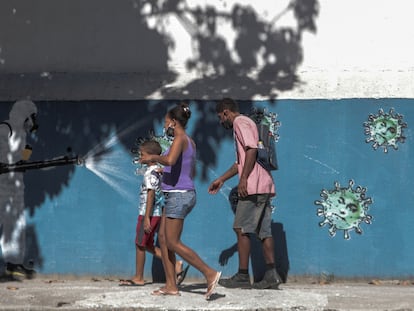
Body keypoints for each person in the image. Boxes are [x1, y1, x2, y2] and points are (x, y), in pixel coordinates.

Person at [140, 103, 221, 300]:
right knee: (165, 241)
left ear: (174, 122)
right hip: (175, 193)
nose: (165, 125)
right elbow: (184, 167)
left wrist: (152, 157)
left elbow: (170, 161)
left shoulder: (180, 139)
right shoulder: (189, 141)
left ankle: (210, 273)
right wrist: (164, 171)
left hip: (179, 194)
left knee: (173, 242)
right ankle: (171, 286)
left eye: (166, 122)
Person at [208, 98, 282, 290]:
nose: (220, 122)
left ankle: (242, 276)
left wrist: (243, 180)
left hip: (253, 186)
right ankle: (271, 275)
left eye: (219, 117)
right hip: (262, 185)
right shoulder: (247, 124)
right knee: (263, 231)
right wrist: (222, 179)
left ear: (225, 112)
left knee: (241, 228)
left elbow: (251, 150)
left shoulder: (240, 122)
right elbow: (239, 162)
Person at [119, 140, 189, 286]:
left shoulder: (150, 173)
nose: (140, 157)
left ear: (151, 156)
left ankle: (138, 277)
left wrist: (146, 218)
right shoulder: (158, 170)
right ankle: (176, 266)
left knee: (139, 244)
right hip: (155, 213)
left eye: (142, 154)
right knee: (148, 245)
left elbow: (151, 195)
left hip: (148, 213)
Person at [0, 100, 38, 279]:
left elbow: (18, 159)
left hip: (15, 186)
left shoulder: (22, 134)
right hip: (2, 185)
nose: (31, 123)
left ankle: (13, 264)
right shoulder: (5, 129)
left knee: (15, 225)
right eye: (30, 117)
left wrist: (23, 159)